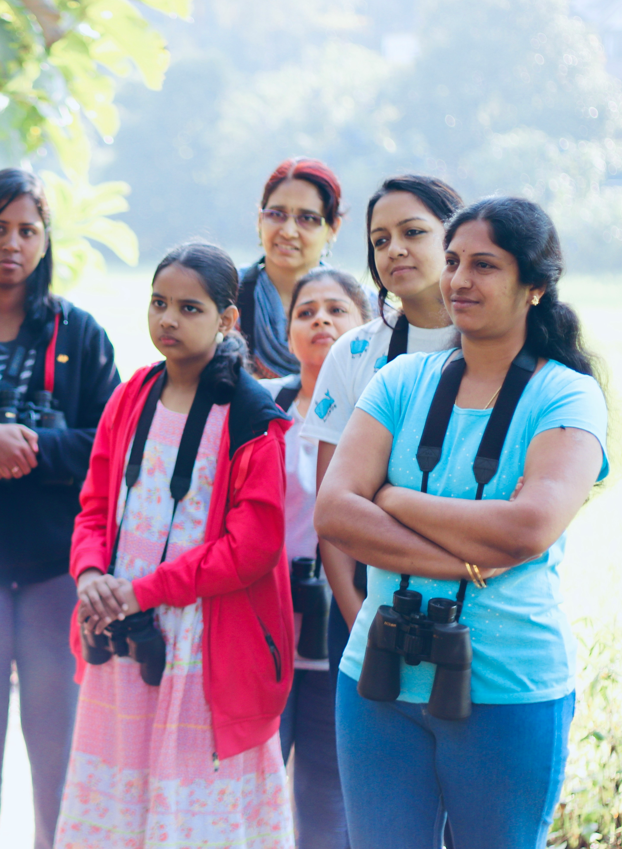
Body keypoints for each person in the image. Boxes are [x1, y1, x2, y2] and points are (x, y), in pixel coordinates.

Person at [315, 197, 608, 849]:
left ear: (534, 285)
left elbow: (528, 528)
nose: (459, 280)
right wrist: (466, 559)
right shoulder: (399, 379)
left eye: (484, 265)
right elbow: (334, 511)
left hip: (508, 685)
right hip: (378, 681)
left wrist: (391, 497)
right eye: (452, 262)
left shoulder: (566, 394)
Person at [57, 241, 294, 849]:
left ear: (227, 319)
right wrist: (89, 576)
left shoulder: (251, 416)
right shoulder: (131, 394)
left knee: (190, 821)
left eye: (189, 308)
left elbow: (253, 549)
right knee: (117, 808)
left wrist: (140, 589)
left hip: (201, 645)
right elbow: (93, 507)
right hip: (123, 630)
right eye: (159, 303)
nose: (168, 319)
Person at [0, 168, 120, 849]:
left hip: (56, 571)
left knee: (61, 756)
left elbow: (112, 444)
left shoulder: (82, 333)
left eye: (27, 229)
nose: (12, 242)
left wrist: (27, 448)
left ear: (45, 240)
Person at [300, 175, 463, 680]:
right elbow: (331, 514)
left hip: (476, 606)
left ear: (455, 239)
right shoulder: (353, 352)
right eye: (380, 240)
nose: (395, 249)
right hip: (373, 610)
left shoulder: (498, 348)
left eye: (413, 232)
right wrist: (358, 619)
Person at [259, 268, 371, 849]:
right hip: (265, 622)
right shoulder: (261, 407)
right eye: (306, 312)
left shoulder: (377, 411)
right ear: (287, 330)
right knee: (256, 778)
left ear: (366, 326)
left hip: (342, 619)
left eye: (336, 310)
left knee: (328, 791)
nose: (321, 320)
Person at [238, 157, 344, 378]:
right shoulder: (226, 293)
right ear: (260, 219)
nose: (288, 231)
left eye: (307, 218)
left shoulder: (358, 306)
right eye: (276, 214)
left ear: (333, 228)